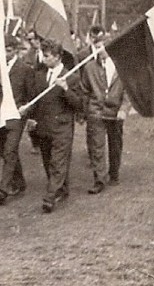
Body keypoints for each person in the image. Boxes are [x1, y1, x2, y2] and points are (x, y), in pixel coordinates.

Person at [26, 39, 81, 213]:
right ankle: (62, 188)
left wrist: (66, 89)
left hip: (62, 127)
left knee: (58, 162)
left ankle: (50, 198)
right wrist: (29, 113)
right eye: (43, 55)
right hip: (44, 127)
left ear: (57, 57)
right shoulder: (40, 75)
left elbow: (79, 104)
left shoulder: (71, 76)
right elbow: (36, 100)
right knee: (48, 161)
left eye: (47, 56)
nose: (44, 58)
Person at [79, 33, 130, 194]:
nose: (98, 50)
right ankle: (99, 179)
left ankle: (114, 174)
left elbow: (128, 92)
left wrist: (123, 109)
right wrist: (85, 111)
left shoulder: (123, 67)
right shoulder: (89, 68)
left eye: (101, 46)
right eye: (96, 46)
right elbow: (85, 91)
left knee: (115, 144)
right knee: (96, 146)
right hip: (96, 112)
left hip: (115, 112)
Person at [0, 36, 37, 206]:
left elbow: (32, 96)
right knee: (6, 150)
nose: (5, 54)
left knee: (10, 150)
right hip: (0, 114)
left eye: (9, 50)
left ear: (16, 50)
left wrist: (27, 109)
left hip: (16, 115)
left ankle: (3, 189)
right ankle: (20, 182)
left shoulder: (24, 69)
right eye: (3, 50)